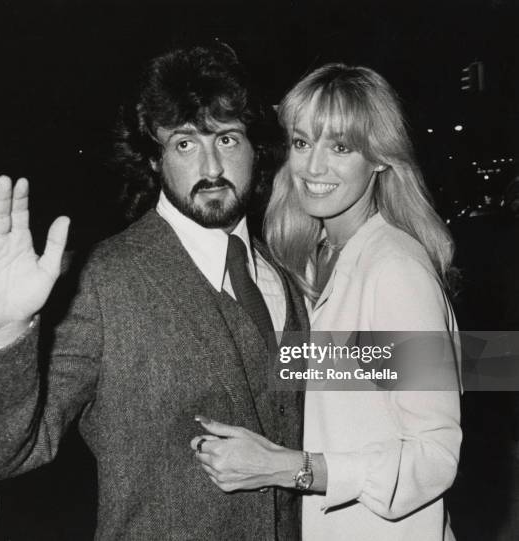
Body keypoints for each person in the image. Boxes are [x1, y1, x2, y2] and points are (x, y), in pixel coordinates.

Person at [0, 44, 309, 540]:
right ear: (154, 160)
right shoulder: (103, 280)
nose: (212, 168)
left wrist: (399, 258)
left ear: (255, 149)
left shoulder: (285, 274)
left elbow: (405, 376)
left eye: (227, 139)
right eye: (184, 144)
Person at [191, 64, 462, 540]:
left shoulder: (394, 271)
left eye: (340, 147)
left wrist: (288, 469)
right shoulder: (316, 260)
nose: (313, 168)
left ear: (379, 158)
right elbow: (344, 393)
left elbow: (435, 456)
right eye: (301, 142)